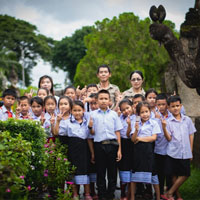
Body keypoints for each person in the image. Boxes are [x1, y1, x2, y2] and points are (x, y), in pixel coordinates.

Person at [89, 89, 123, 200]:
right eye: (101, 99)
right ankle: (102, 194)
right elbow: (91, 133)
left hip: (113, 145)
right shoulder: (93, 115)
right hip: (99, 145)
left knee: (112, 172)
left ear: (109, 101)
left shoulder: (113, 115)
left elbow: (117, 132)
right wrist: (90, 127)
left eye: (105, 99)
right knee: (100, 171)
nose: (103, 101)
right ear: (97, 101)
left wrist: (119, 150)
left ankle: (111, 194)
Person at [161, 95, 196, 200]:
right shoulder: (168, 121)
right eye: (172, 106)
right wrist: (164, 127)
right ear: (169, 108)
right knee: (173, 175)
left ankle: (169, 192)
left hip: (185, 151)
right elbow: (168, 138)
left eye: (177, 105)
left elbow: (191, 134)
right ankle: (177, 196)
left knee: (186, 174)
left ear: (181, 106)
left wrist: (191, 150)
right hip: (173, 152)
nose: (175, 108)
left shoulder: (187, 120)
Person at [58, 100, 92, 200]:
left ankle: (87, 193)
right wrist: (58, 121)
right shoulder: (67, 122)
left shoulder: (87, 122)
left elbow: (89, 137)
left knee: (85, 170)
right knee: (72, 171)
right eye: (75, 110)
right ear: (71, 111)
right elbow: (60, 134)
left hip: (84, 149)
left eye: (79, 110)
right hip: (72, 148)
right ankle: (75, 193)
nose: (77, 112)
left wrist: (92, 153)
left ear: (83, 111)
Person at [130, 101, 160, 200]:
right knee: (135, 175)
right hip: (137, 152)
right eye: (142, 112)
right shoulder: (136, 124)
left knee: (153, 174)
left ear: (150, 111)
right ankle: (132, 197)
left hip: (148, 152)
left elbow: (153, 137)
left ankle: (158, 197)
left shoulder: (153, 123)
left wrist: (140, 139)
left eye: (146, 111)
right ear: (138, 114)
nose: (145, 114)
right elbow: (133, 140)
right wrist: (136, 130)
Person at [154, 93, 172, 197]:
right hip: (158, 149)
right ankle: (160, 193)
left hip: (170, 150)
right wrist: (157, 119)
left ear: (167, 105)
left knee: (169, 173)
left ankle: (169, 193)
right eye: (159, 104)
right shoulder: (154, 116)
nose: (161, 107)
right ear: (156, 105)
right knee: (159, 173)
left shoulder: (171, 115)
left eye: (163, 104)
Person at [118, 99, 135, 200]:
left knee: (131, 167)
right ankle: (123, 191)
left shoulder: (135, 118)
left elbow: (129, 134)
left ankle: (130, 192)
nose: (126, 111)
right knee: (123, 167)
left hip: (132, 143)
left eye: (128, 108)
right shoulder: (120, 118)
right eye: (123, 110)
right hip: (123, 143)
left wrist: (129, 125)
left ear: (132, 107)